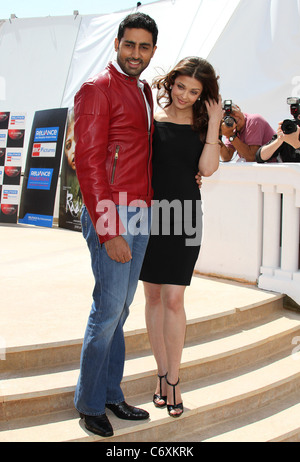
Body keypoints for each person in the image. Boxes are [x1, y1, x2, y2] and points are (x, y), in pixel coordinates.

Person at [73, 12, 158, 438]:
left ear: (152, 51)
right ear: (117, 44)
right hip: (114, 213)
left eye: (144, 47)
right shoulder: (96, 90)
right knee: (107, 310)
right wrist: (109, 229)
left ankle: (110, 393)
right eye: (129, 45)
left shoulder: (144, 91)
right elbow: (86, 165)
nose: (135, 54)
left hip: (141, 211)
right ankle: (89, 403)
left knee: (121, 310)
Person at [139, 57, 222, 418]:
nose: (186, 96)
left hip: (185, 216)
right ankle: (159, 374)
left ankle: (174, 378)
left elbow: (206, 169)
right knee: (153, 296)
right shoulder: (151, 120)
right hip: (148, 215)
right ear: (170, 83)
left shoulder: (203, 125)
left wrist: (216, 124)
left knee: (174, 299)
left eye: (195, 91)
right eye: (181, 87)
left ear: (204, 95)